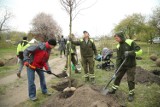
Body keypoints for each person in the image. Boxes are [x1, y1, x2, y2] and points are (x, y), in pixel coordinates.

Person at [108, 32, 142, 102]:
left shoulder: (130, 42)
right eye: (115, 39)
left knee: (130, 80)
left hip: (131, 65)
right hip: (123, 65)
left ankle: (131, 94)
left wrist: (130, 53)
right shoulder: (118, 46)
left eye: (117, 38)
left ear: (120, 37)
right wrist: (117, 68)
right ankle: (114, 89)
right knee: (117, 77)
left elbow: (140, 51)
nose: (116, 40)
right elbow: (119, 58)